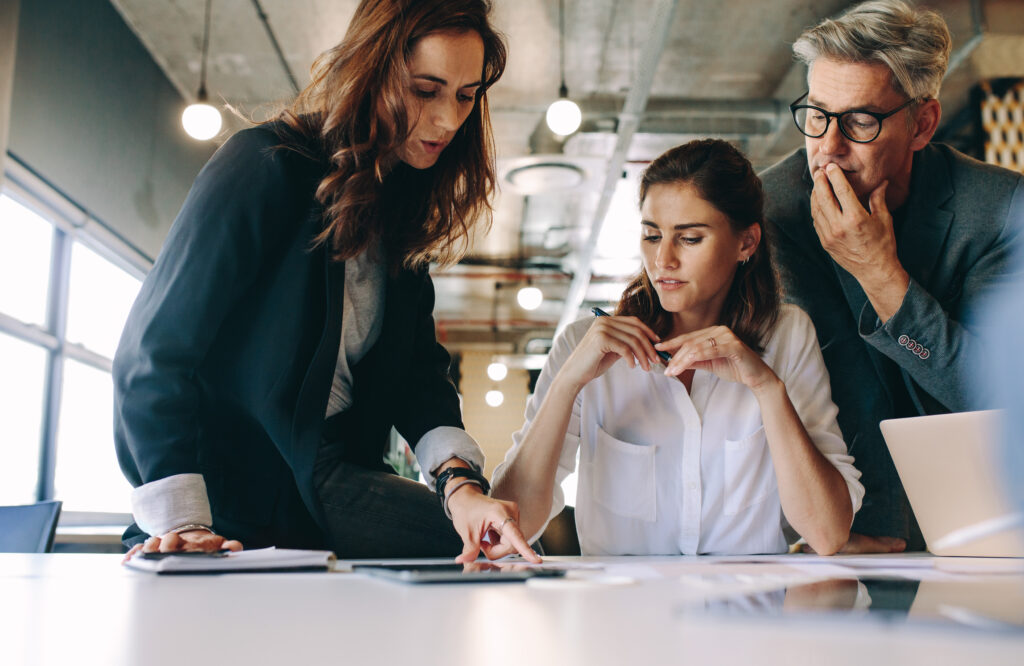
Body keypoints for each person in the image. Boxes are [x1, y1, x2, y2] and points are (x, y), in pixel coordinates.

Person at [115, 0, 539, 564]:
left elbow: (419, 377)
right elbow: (154, 355)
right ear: (371, 71)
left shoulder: (397, 210)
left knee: (492, 540)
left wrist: (460, 485)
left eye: (466, 96)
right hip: (240, 491)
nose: (448, 120)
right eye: (425, 90)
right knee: (489, 554)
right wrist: (183, 520)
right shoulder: (264, 165)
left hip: (332, 474)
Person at [490, 140, 864, 556]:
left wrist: (766, 387)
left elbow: (828, 534)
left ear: (746, 243)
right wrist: (566, 385)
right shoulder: (584, 345)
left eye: (689, 239)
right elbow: (509, 529)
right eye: (652, 236)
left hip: (748, 613)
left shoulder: (788, 335)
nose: (662, 260)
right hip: (624, 613)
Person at [760, 0, 1024, 553]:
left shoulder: (999, 209)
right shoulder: (771, 211)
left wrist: (881, 276)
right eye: (816, 114)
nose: (827, 148)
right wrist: (863, 521)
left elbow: (991, 393)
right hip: (835, 523)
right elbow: (827, 381)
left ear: (922, 124)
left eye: (859, 121)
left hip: (981, 516)